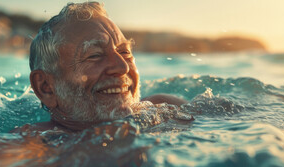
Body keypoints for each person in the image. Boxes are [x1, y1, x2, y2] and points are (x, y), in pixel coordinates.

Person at [23, 1, 187, 133]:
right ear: (46, 88)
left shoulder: (164, 109)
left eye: (124, 52)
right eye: (95, 55)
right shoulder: (29, 149)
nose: (122, 67)